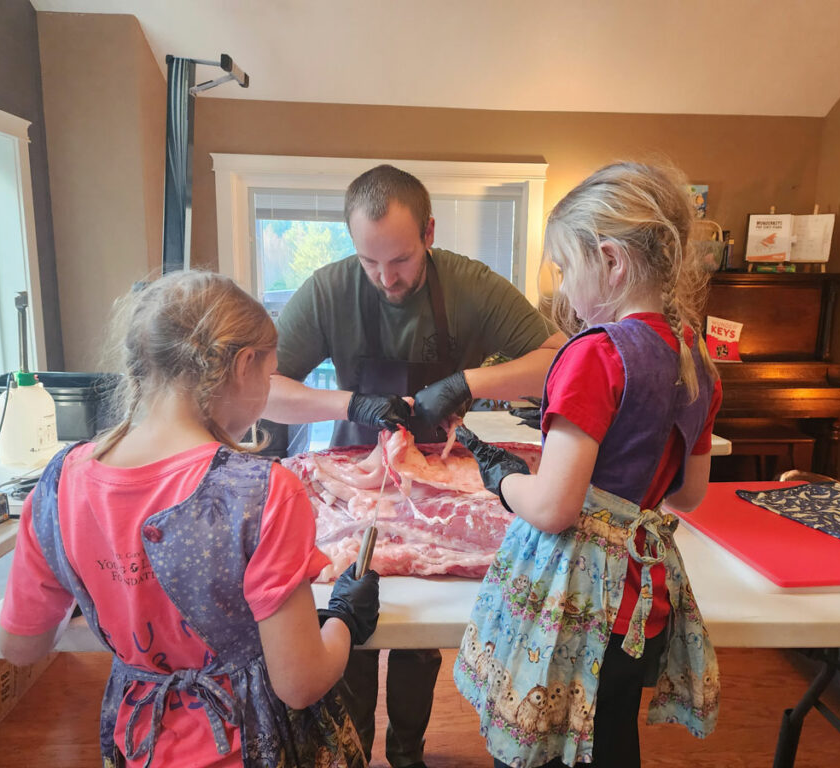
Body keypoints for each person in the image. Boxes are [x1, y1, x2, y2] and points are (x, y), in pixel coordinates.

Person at [0, 271, 380, 768]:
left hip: (139, 741)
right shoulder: (262, 492)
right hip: (254, 745)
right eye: (269, 376)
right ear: (244, 365)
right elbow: (300, 683)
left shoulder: (58, 484)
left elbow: (20, 648)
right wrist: (346, 620)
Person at [261, 164, 567, 768]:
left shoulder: (471, 285)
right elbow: (259, 389)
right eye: (369, 262)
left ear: (428, 231)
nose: (384, 278)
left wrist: (468, 381)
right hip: (360, 473)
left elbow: (561, 359)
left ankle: (407, 754)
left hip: (441, 475)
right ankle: (352, 754)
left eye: (398, 260)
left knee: (420, 631)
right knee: (351, 612)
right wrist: (348, 402)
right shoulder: (328, 290)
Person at [452, 161, 724, 768]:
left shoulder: (595, 355)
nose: (563, 290)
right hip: (640, 600)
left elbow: (553, 507)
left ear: (610, 260)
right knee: (609, 741)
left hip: (574, 602)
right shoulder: (697, 361)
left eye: (565, 269)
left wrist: (501, 477)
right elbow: (688, 494)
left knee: (543, 745)